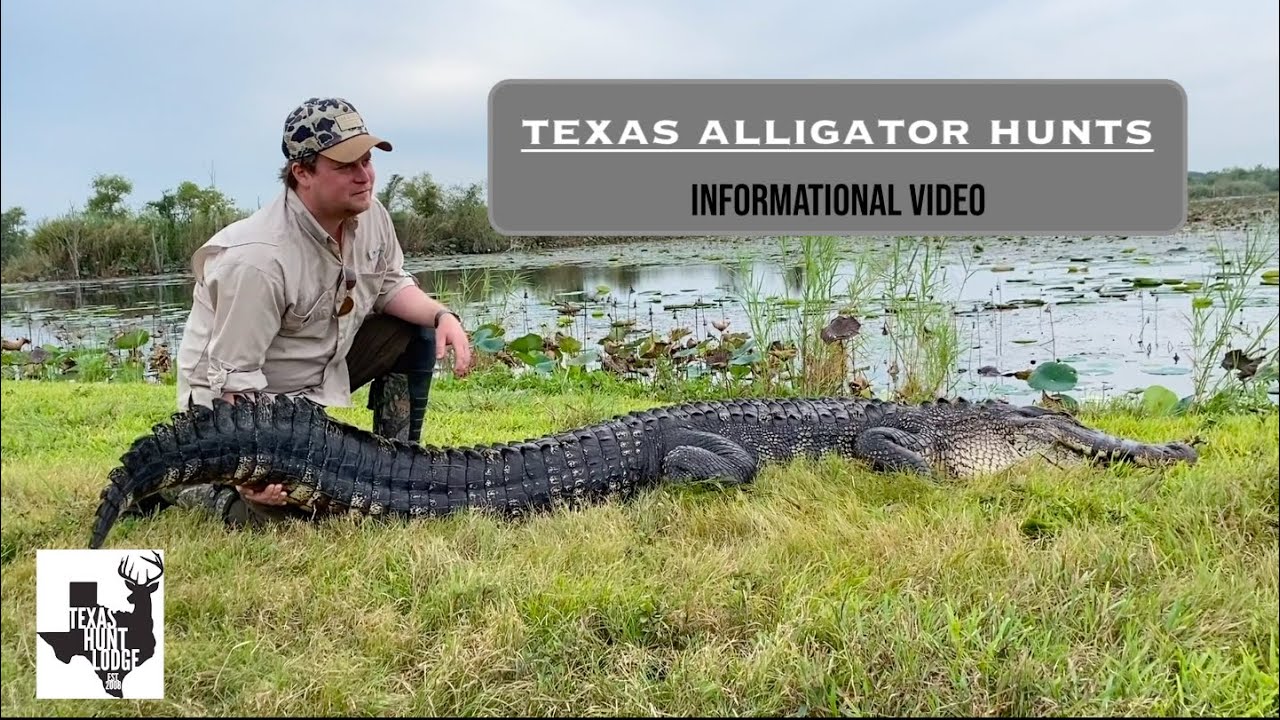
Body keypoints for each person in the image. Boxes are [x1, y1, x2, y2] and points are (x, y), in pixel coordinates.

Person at [154, 96, 473, 528]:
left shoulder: (370, 215)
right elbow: (234, 382)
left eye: (367, 160)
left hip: (311, 384)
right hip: (234, 406)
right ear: (302, 172)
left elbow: (391, 284)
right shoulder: (257, 261)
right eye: (346, 166)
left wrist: (442, 316)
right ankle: (187, 489)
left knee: (413, 330)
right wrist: (255, 469)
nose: (365, 176)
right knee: (276, 514)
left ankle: (397, 467)